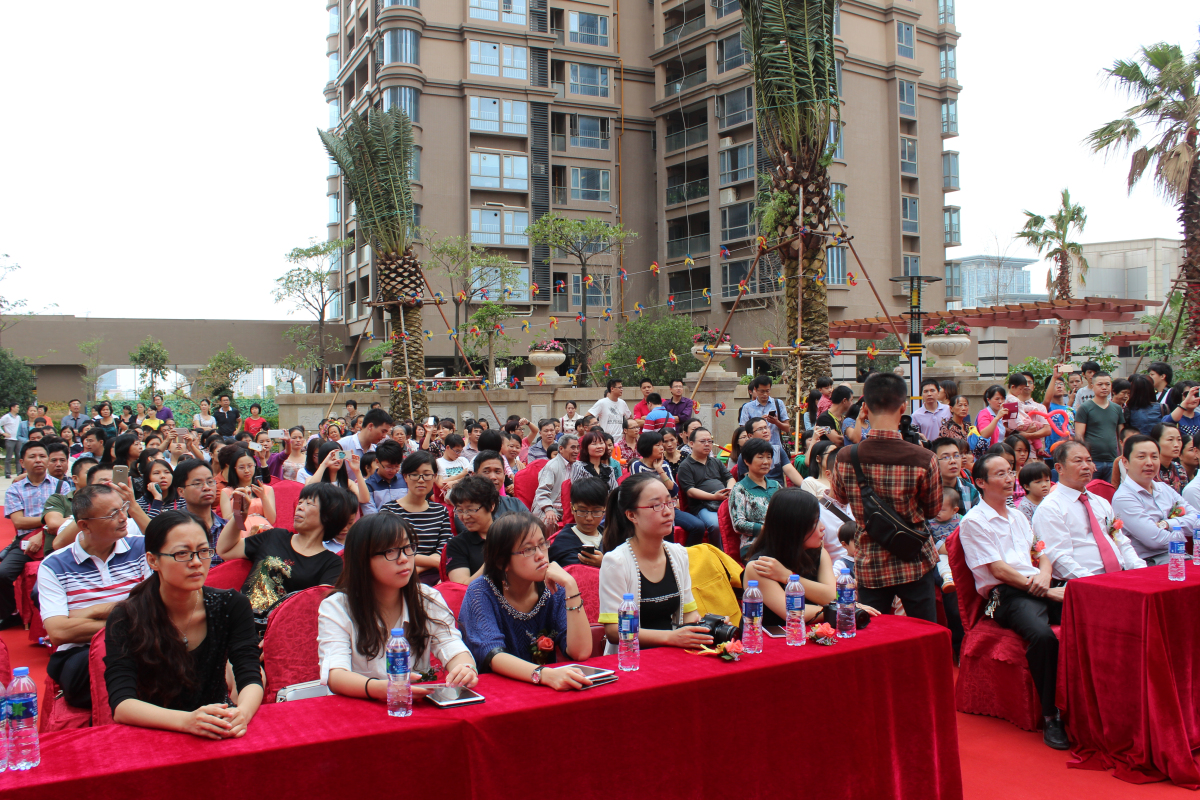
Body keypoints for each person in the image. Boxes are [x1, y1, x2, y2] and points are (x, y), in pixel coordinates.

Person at [104, 511, 263, 738]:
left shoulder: (231, 605)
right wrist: (187, 721)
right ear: (153, 560)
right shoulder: (127, 616)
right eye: (182, 553)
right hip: (154, 730)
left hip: (215, 725)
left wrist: (243, 713)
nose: (196, 562)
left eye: (203, 551)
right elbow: (122, 704)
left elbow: (250, 674)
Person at [958, 453, 1068, 750]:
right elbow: (999, 571)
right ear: (980, 482)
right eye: (1000, 474)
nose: (1009, 479)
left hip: (1037, 583)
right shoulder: (974, 521)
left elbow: (1041, 553)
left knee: (1091, 611)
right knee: (1042, 636)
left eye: (1010, 472)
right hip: (1006, 595)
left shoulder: (1018, 515)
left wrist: (1045, 576)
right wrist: (1047, 591)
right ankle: (1051, 715)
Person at [318, 513, 478, 702]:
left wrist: (465, 668)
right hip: (358, 706)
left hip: (410, 705)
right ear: (362, 559)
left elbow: (450, 643)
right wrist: (380, 688)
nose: (404, 559)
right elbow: (336, 674)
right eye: (391, 551)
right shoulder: (337, 607)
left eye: (408, 548)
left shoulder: (426, 598)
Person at [830, 372, 941, 622]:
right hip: (915, 559)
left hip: (870, 562)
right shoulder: (924, 458)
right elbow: (933, 510)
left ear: (865, 408)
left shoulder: (846, 457)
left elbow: (840, 498)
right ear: (903, 407)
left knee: (871, 634)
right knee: (925, 632)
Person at [36, 484, 152, 708]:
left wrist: (90, 612)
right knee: (90, 669)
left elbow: (156, 607)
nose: (123, 518)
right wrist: (133, 615)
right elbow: (59, 632)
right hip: (83, 651)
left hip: (142, 642)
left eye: (123, 508)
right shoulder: (54, 565)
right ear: (84, 525)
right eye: (112, 514)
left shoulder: (142, 549)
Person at [458, 513, 593, 689]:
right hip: (498, 691)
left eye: (542, 544)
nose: (540, 555)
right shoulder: (481, 591)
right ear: (501, 562)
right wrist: (544, 675)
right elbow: (494, 655)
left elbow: (580, 652)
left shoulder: (554, 587)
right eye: (528, 550)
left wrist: (571, 586)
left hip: (546, 687)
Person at [599, 473, 712, 654]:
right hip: (631, 659)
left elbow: (689, 614)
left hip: (673, 654)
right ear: (632, 515)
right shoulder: (616, 562)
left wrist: (709, 627)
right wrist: (670, 637)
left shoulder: (678, 554)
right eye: (656, 505)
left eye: (670, 502)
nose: (668, 512)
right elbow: (614, 630)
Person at [218, 482, 351, 624]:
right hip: (239, 621)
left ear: (329, 514)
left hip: (280, 630)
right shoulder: (274, 536)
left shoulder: (331, 563)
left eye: (309, 503)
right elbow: (225, 550)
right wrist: (239, 515)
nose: (299, 507)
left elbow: (316, 610)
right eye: (300, 502)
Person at [1033, 439, 1144, 578]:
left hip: (1121, 575)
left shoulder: (1100, 502)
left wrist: (1141, 570)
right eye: (1078, 461)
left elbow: (1121, 541)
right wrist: (1092, 582)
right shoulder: (1050, 508)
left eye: (1089, 460)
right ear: (1059, 468)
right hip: (1083, 581)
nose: (1086, 466)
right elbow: (1058, 558)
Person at [743, 489, 839, 625]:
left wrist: (788, 577)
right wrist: (844, 609)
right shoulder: (760, 565)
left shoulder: (819, 553)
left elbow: (833, 596)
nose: (822, 527)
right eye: (814, 522)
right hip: (772, 636)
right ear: (793, 527)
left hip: (811, 633)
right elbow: (793, 613)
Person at [1112, 435, 1200, 565]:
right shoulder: (1124, 498)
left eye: (1154, 457)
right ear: (1125, 462)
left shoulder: (1164, 488)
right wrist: (1181, 535)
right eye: (1141, 457)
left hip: (1180, 557)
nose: (1149, 463)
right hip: (1151, 563)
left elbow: (1197, 520)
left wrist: (1166, 524)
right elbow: (1155, 540)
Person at [0, 441, 57, 627]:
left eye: (42, 456)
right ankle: (10, 612)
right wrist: (50, 519)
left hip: (56, 538)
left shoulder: (62, 486)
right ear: (22, 462)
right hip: (24, 541)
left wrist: (42, 532)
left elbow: (67, 519)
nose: (38, 460)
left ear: (47, 460)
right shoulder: (15, 489)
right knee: (2, 573)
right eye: (32, 457)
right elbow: (19, 522)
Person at [378, 451, 453, 585]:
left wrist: (418, 569)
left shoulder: (440, 511)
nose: (421, 480)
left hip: (435, 578)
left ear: (435, 477)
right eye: (414, 474)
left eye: (427, 474)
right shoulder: (389, 511)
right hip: (398, 574)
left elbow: (443, 550)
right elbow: (391, 550)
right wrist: (432, 562)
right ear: (405, 477)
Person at [676, 426, 734, 540]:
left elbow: (730, 478)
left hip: (724, 501)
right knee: (716, 525)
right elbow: (690, 491)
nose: (707, 444)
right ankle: (717, 550)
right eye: (703, 441)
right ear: (691, 443)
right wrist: (714, 497)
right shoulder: (685, 466)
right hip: (702, 506)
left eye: (709, 441)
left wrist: (730, 490)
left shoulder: (716, 462)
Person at [729, 438, 781, 555]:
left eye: (769, 457)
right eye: (760, 457)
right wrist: (768, 530)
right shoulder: (740, 489)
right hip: (754, 545)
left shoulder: (776, 485)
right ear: (747, 461)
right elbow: (738, 524)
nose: (766, 462)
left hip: (780, 541)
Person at [445, 476, 499, 584]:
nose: (465, 517)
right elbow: (462, 586)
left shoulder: (510, 533)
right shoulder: (457, 545)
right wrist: (493, 560)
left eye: (471, 509)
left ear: (491, 506)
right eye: (460, 510)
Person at [548, 478, 608, 568]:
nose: (589, 518)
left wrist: (605, 563)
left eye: (596, 511)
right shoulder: (563, 543)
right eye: (582, 511)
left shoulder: (610, 537)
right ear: (572, 508)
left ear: (604, 509)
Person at [1074, 372, 1123, 482]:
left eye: (1107, 384)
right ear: (1093, 386)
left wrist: (1122, 459)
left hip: (1112, 461)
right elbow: (1079, 436)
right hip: (1093, 461)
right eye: (1100, 384)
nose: (1104, 387)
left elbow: (1121, 436)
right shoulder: (1085, 408)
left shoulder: (1117, 408)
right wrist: (1086, 461)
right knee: (1090, 489)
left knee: (1111, 490)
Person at [218, 447, 277, 528]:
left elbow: (271, 520)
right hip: (239, 530)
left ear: (255, 466)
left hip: (264, 529)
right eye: (241, 467)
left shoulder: (266, 489)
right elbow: (227, 520)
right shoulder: (227, 492)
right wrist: (241, 505)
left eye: (250, 466)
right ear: (234, 469)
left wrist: (263, 497)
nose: (246, 470)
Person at [533, 434, 578, 529]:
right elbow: (542, 491)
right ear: (561, 449)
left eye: (578, 448)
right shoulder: (552, 466)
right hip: (550, 506)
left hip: (570, 508)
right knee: (549, 521)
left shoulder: (578, 466)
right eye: (573, 448)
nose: (576, 451)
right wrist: (548, 509)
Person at [738, 375, 791, 447]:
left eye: (767, 391)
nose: (765, 394)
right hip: (755, 447)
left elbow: (787, 428)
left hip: (775, 446)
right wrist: (759, 422)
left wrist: (776, 422)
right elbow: (743, 431)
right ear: (755, 389)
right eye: (762, 391)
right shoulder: (747, 407)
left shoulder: (778, 403)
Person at [362, 440, 407, 513]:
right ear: (377, 462)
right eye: (389, 467)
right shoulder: (368, 485)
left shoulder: (405, 480)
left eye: (397, 466)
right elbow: (371, 514)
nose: (393, 471)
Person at [912, 377, 951, 442]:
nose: (929, 394)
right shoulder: (916, 415)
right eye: (926, 391)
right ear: (922, 395)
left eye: (932, 391)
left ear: (938, 393)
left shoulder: (948, 409)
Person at [1153, 422, 1188, 492]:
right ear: (1156, 442)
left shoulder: (1179, 469)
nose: (1176, 445)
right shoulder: (1149, 469)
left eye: (1179, 440)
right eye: (1170, 439)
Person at [0, 402, 19, 479]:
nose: (18, 409)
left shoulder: (18, 417)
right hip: (10, 439)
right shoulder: (6, 417)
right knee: (9, 457)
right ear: (12, 408)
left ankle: (19, 472)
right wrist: (3, 433)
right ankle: (7, 473)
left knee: (18, 456)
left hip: (18, 439)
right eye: (17, 407)